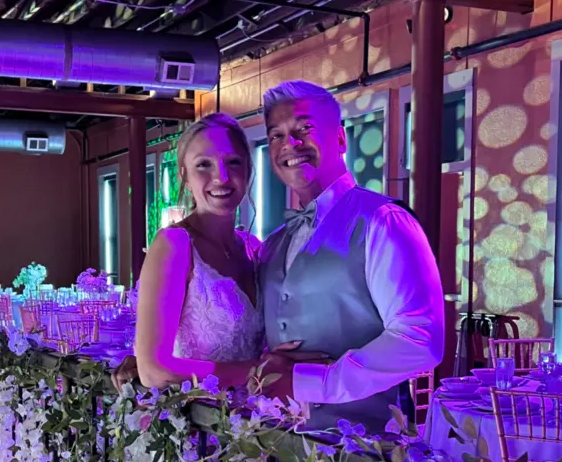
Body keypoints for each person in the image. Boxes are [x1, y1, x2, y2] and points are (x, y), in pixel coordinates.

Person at [257, 80, 444, 434]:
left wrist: (314, 382)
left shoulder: (384, 221)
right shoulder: (274, 243)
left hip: (365, 451)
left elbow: (420, 338)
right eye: (276, 135)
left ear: (341, 139)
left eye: (305, 129)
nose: (290, 144)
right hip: (281, 446)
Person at [118, 112, 320, 395]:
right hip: (201, 416)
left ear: (248, 170)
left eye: (233, 162)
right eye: (204, 165)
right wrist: (259, 369)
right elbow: (153, 371)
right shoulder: (175, 244)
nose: (221, 177)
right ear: (184, 176)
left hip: (257, 414)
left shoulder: (254, 247)